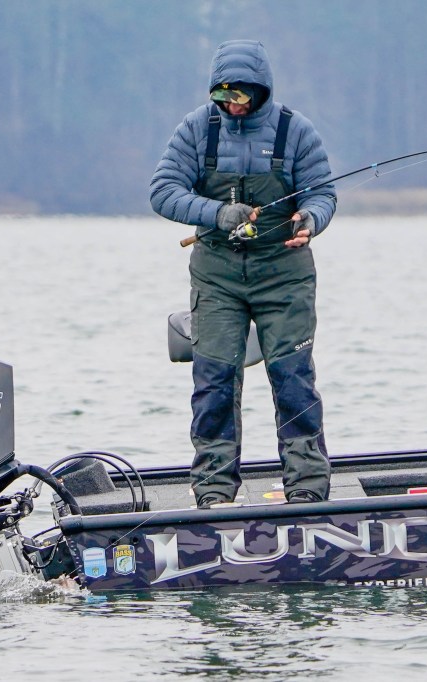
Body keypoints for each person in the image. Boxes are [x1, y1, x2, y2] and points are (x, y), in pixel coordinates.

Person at [150, 40, 336, 508]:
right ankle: (213, 492)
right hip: (217, 277)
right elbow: (163, 190)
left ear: (261, 90)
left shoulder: (296, 131)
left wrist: (310, 219)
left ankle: (307, 488)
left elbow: (322, 194)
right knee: (213, 382)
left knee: (293, 379)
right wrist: (217, 213)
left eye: (240, 95)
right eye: (222, 95)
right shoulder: (197, 129)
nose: (232, 104)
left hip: (285, 276)